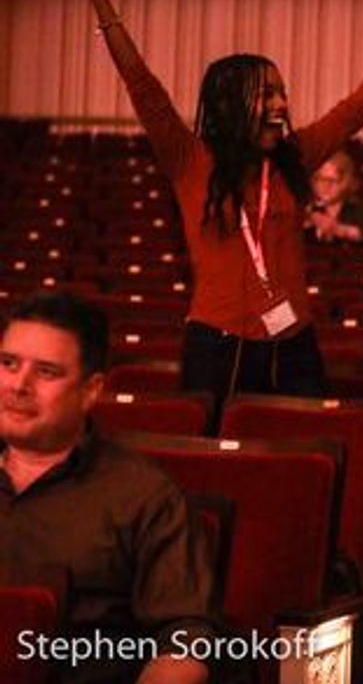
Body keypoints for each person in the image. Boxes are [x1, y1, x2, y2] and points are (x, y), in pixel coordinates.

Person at [53, 0, 363, 403]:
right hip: (217, 342)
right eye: (267, 95)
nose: (281, 104)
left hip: (293, 341)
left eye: (281, 93)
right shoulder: (189, 159)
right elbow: (142, 85)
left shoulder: (294, 156)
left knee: (304, 438)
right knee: (214, 443)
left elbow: (358, 108)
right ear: (231, 103)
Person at [1, 290, 216, 684]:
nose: (18, 385)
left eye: (46, 372)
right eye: (8, 364)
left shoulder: (144, 496)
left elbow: (184, 645)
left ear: (91, 391)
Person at [305, 149, 363, 245]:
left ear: (346, 182)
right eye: (321, 179)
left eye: (332, 180)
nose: (325, 186)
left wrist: (343, 231)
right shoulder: (307, 211)